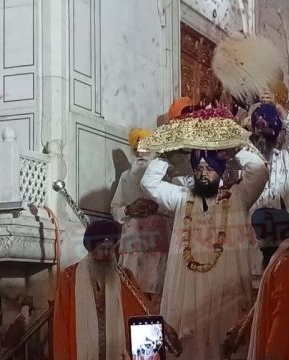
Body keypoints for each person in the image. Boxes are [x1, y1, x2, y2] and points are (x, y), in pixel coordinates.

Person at [141, 115, 268, 359]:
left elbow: (259, 170)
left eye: (209, 168)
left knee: (225, 341)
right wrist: (168, 154)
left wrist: (234, 149)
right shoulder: (181, 198)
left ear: (220, 172)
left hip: (224, 291)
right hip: (187, 290)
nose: (203, 174)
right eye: (198, 168)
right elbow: (149, 184)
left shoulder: (238, 197)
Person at [53, 220, 179, 360]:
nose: (106, 253)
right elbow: (61, 325)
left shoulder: (125, 277)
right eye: (102, 248)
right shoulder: (70, 277)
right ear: (91, 249)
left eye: (110, 249)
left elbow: (142, 309)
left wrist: (165, 330)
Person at [224, 208, 289, 360]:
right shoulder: (283, 261)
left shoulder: (288, 265)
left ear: (272, 236)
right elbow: (263, 307)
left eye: (261, 235)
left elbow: (284, 318)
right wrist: (239, 330)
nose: (257, 242)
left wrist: (273, 355)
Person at [111, 129, 172, 311]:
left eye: (144, 147)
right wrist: (129, 209)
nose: (141, 152)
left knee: (155, 296)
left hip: (157, 241)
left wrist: (156, 207)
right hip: (132, 244)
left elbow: (176, 205)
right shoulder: (125, 177)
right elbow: (115, 208)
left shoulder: (165, 174)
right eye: (137, 148)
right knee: (131, 292)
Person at [250, 103, 289, 268]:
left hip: (282, 227)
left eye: (266, 130)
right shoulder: (246, 157)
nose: (261, 134)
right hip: (254, 230)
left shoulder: (285, 155)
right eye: (257, 129)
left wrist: (281, 111)